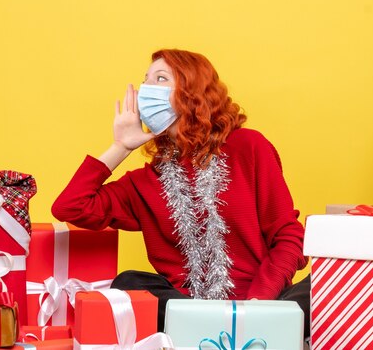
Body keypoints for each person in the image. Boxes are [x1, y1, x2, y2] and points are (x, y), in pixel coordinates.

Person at [51, 49, 310, 336]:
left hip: (265, 304)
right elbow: (70, 207)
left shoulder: (249, 147)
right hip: (188, 311)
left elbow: (289, 237)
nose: (147, 89)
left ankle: (236, 331)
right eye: (145, 81)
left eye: (160, 79)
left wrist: (257, 305)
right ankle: (211, 332)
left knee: (324, 287)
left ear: (192, 91)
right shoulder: (144, 182)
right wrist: (121, 146)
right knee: (129, 282)